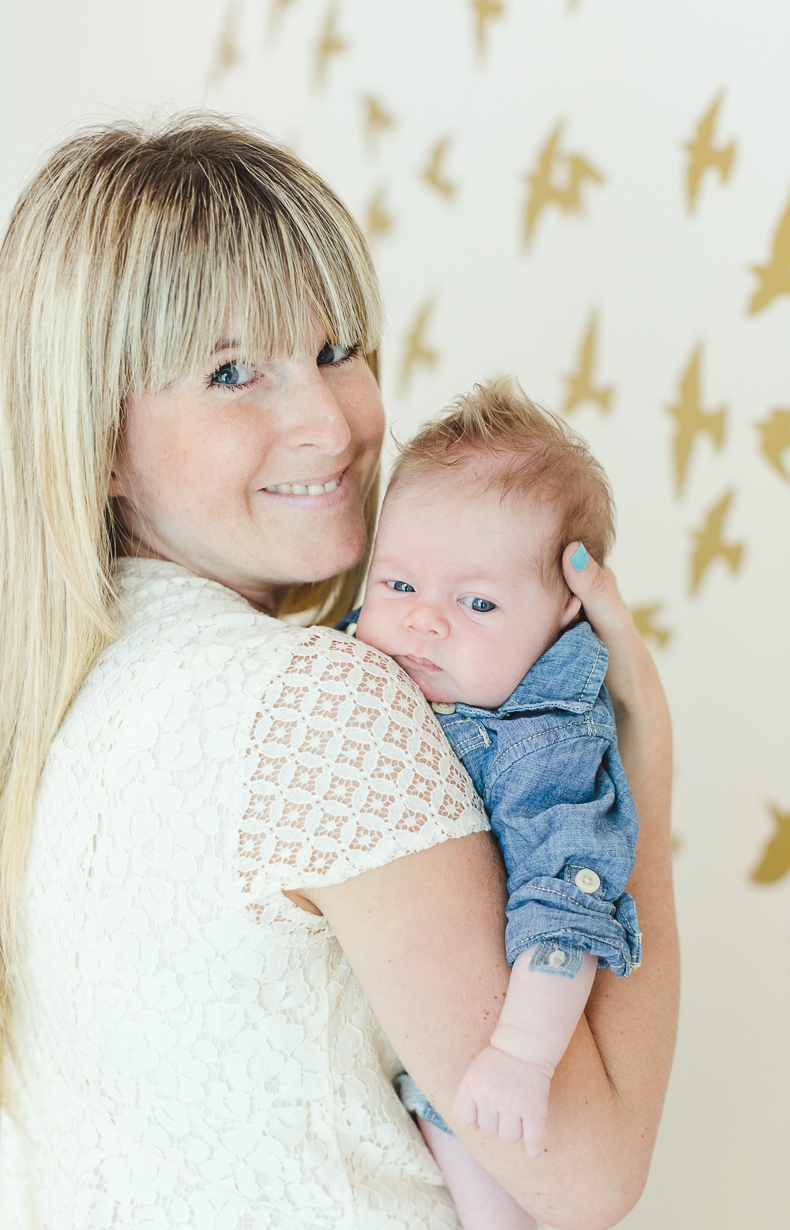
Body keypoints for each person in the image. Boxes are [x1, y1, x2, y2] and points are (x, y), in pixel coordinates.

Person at [0, 114, 678, 1230]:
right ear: (101, 440)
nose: (330, 421)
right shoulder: (316, 701)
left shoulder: (62, 693)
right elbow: (587, 1176)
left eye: (335, 350)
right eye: (232, 372)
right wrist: (642, 787)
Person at [344, 381, 642, 1229]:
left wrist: (519, 1055)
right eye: (398, 585)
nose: (425, 624)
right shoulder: (366, 665)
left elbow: (567, 904)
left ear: (563, 617)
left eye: (477, 603)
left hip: (506, 1041)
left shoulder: (547, 744)